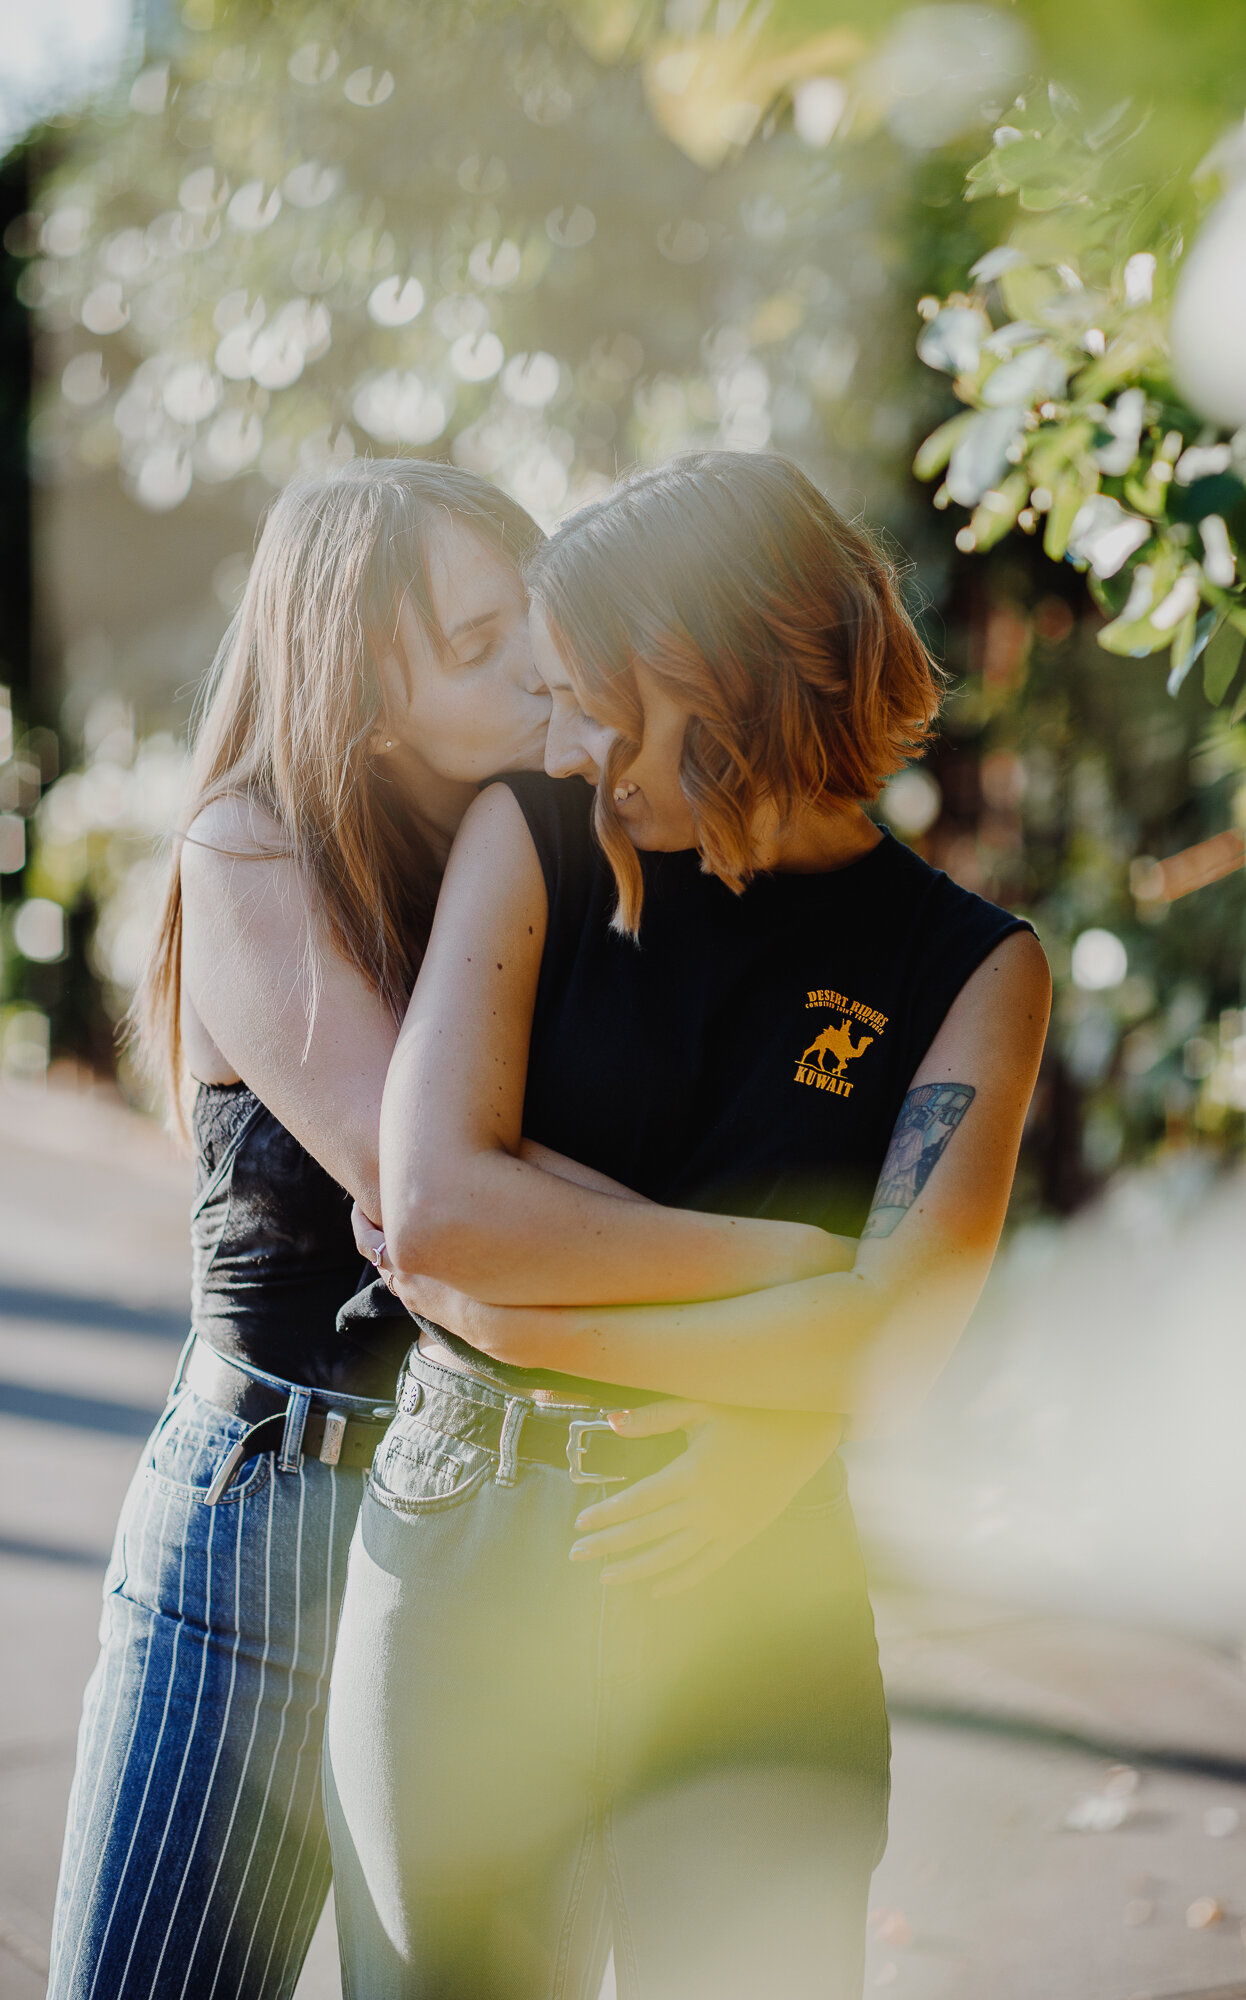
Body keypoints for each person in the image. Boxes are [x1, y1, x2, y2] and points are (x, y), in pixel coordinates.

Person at [48, 453, 852, 2000]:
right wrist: (809, 1286)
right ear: (362, 700)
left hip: (496, 1534)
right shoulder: (253, 853)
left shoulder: (591, 835)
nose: (536, 666)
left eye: (530, 619)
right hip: (271, 1528)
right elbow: (446, 1218)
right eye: (476, 648)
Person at [326, 450, 1052, 1999]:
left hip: (753, 1585)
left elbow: (905, 1345)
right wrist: (800, 1285)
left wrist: (528, 1312)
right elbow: (443, 1208)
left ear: (713, 677)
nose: (571, 745)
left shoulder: (974, 969)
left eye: (600, 702)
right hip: (469, 1546)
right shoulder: (526, 839)